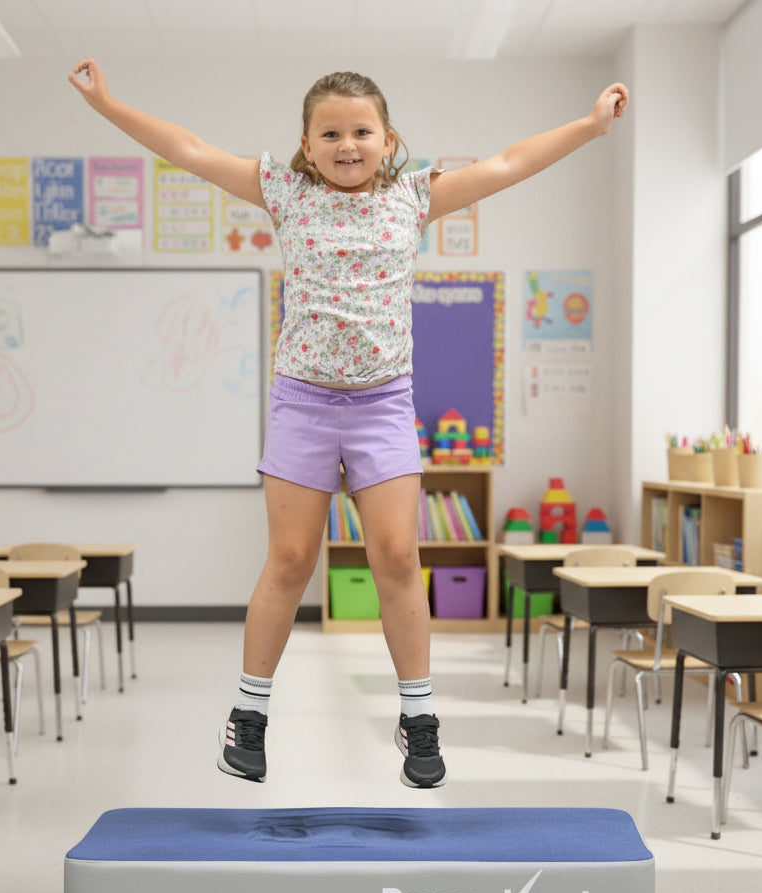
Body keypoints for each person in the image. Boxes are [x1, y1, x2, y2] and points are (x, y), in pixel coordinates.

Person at [69, 58, 629, 789]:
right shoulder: (285, 192)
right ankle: (250, 715)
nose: (346, 144)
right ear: (305, 145)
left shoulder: (413, 197)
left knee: (397, 556)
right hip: (303, 402)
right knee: (292, 559)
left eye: (361, 130)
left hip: (382, 404)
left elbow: (508, 163)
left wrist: (590, 127)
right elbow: (189, 149)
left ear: (387, 138)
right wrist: (109, 103)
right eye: (329, 132)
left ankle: (418, 717)